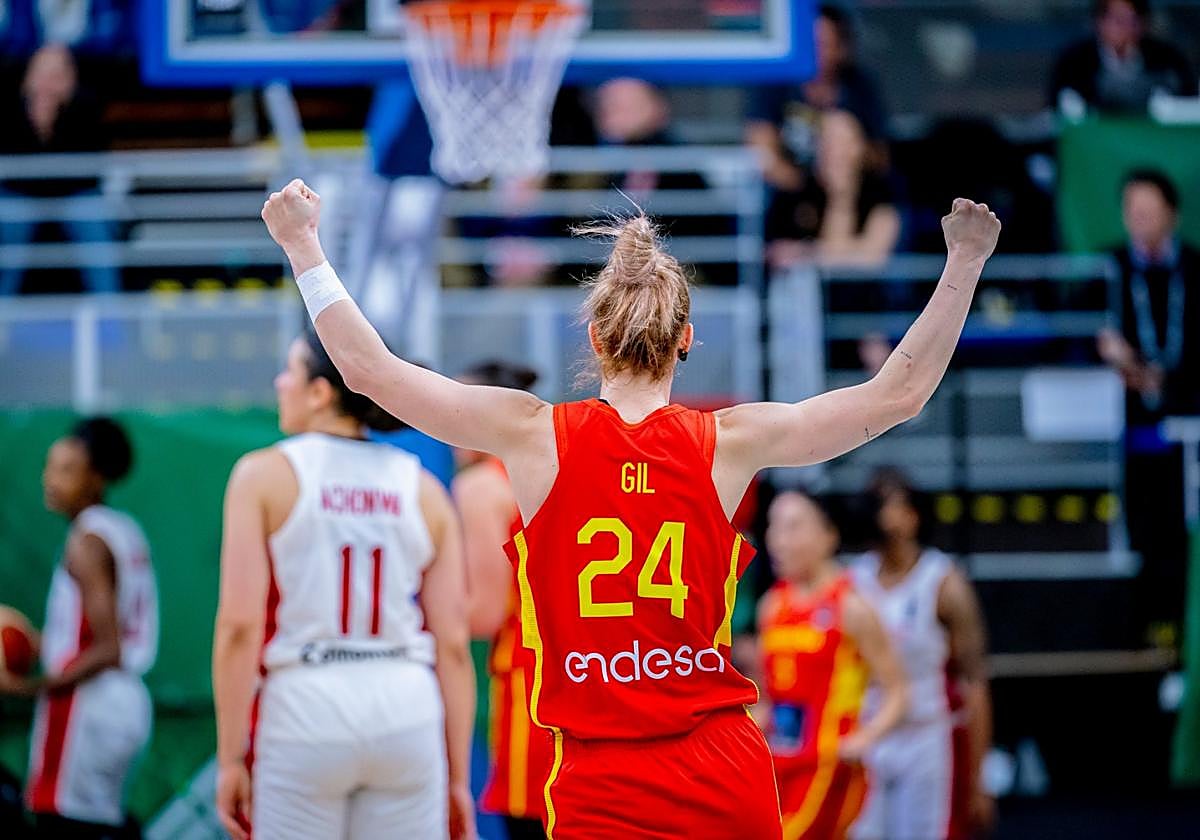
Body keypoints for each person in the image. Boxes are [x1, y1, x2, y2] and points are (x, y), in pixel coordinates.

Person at [260, 175, 1000, 837]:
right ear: (686, 341)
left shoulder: (533, 435)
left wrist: (304, 247)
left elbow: (370, 372)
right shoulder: (729, 442)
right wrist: (964, 262)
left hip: (600, 777)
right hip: (722, 769)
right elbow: (897, 395)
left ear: (593, 338)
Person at [211, 332, 476, 840]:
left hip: (306, 705)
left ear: (320, 392)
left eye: (289, 370)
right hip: (406, 705)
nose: (279, 383)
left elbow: (240, 627)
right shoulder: (425, 489)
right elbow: (454, 644)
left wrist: (230, 759)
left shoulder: (262, 475)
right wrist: (458, 778)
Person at [0, 417, 158, 838]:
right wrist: (38, 641)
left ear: (97, 478)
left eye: (67, 470)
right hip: (126, 702)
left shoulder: (86, 541)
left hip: (87, 708)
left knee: (65, 824)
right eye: (49, 467)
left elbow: (107, 647)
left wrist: (29, 687)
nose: (50, 480)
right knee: (97, 822)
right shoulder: (125, 529)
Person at [754, 491, 907, 840]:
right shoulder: (771, 606)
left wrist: (866, 737)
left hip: (830, 766)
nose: (778, 540)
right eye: (773, 527)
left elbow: (898, 690)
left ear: (828, 535)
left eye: (793, 527)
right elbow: (766, 695)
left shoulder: (851, 607)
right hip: (777, 765)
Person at [849, 471, 993, 840]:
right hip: (869, 732)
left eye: (889, 505)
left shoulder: (943, 582)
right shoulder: (853, 580)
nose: (880, 514)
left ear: (913, 516)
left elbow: (974, 681)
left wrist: (979, 778)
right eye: (875, 504)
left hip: (925, 735)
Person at [452, 360, 552, 840]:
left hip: (528, 683)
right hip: (588, 670)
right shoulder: (549, 468)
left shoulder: (481, 488)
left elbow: (485, 613)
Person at [1097, 169, 1200, 633]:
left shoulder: (1194, 269)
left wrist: (1163, 377)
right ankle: (1140, 631)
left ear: (1171, 214)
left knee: (1182, 527)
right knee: (1140, 525)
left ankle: (1182, 629)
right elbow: (1075, 336)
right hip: (1127, 426)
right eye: (1132, 211)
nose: (1139, 219)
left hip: (1187, 420)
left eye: (1149, 210)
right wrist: (1111, 354)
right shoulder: (1109, 268)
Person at [0, 43, 118, 295]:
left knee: (93, 220)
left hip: (74, 195)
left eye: (55, 76)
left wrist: (54, 123)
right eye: (41, 74)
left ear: (69, 80)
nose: (46, 83)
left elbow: (89, 169)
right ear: (28, 78)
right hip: (20, 195)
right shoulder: (9, 108)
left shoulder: (85, 108)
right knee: (10, 220)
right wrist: (38, 127)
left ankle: (109, 309)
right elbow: (11, 168)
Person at [746, 3, 888, 192]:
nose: (815, 52)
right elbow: (761, 146)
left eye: (824, 44)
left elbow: (880, 156)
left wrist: (849, 152)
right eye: (810, 44)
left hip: (851, 192)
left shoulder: (858, 86)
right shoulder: (777, 82)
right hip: (792, 194)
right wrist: (804, 187)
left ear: (842, 48)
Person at [765, 109, 900, 270]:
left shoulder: (880, 193)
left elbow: (873, 258)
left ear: (861, 147)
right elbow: (778, 254)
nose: (836, 152)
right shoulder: (795, 192)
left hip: (862, 286)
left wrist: (808, 253)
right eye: (828, 142)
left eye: (844, 142)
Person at [1050, 0, 1196, 116]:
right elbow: (1060, 106)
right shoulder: (1074, 61)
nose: (1127, 28)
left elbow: (1186, 98)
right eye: (1119, 20)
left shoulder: (1166, 57)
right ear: (1100, 22)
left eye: (1133, 20)